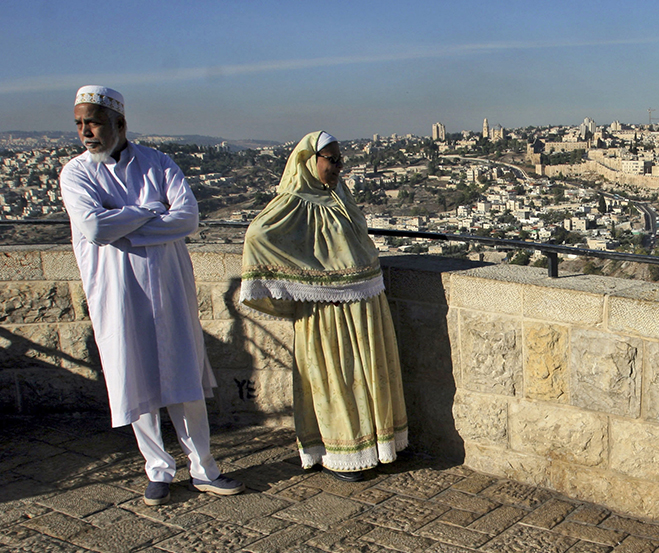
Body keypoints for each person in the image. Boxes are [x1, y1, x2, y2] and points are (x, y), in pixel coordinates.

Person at [60, 85, 243, 506]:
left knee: (185, 381)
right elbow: (94, 229)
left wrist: (122, 224)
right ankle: (157, 469)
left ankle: (204, 467)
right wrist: (148, 212)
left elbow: (188, 218)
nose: (86, 131)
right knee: (135, 379)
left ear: (119, 124)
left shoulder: (158, 164)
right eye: (80, 124)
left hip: (167, 288)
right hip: (118, 292)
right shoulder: (76, 173)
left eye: (93, 122)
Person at [240, 131, 407, 481]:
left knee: (365, 375)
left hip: (363, 300)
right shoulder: (293, 201)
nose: (337, 167)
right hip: (326, 311)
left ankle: (374, 447)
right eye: (331, 160)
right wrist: (307, 278)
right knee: (336, 378)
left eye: (340, 160)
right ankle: (341, 453)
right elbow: (258, 235)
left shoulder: (339, 195)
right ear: (308, 161)